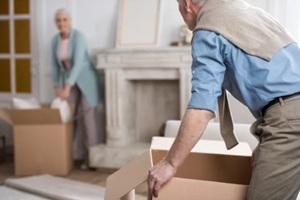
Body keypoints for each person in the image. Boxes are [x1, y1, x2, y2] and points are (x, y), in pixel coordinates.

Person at [148, 0, 300, 199]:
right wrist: (268, 141)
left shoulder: (208, 29)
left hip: (289, 121)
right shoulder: (248, 12)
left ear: (186, 4)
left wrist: (170, 163)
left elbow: (202, 107)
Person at [51, 8, 105, 169]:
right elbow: (55, 66)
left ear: (70, 21)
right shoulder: (55, 41)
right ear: (56, 23)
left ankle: (92, 160)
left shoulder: (79, 38)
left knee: (88, 120)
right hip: (69, 81)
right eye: (59, 20)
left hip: (86, 80)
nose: (62, 23)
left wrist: (67, 87)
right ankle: (71, 156)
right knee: (68, 118)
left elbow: (78, 64)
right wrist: (56, 87)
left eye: (65, 20)